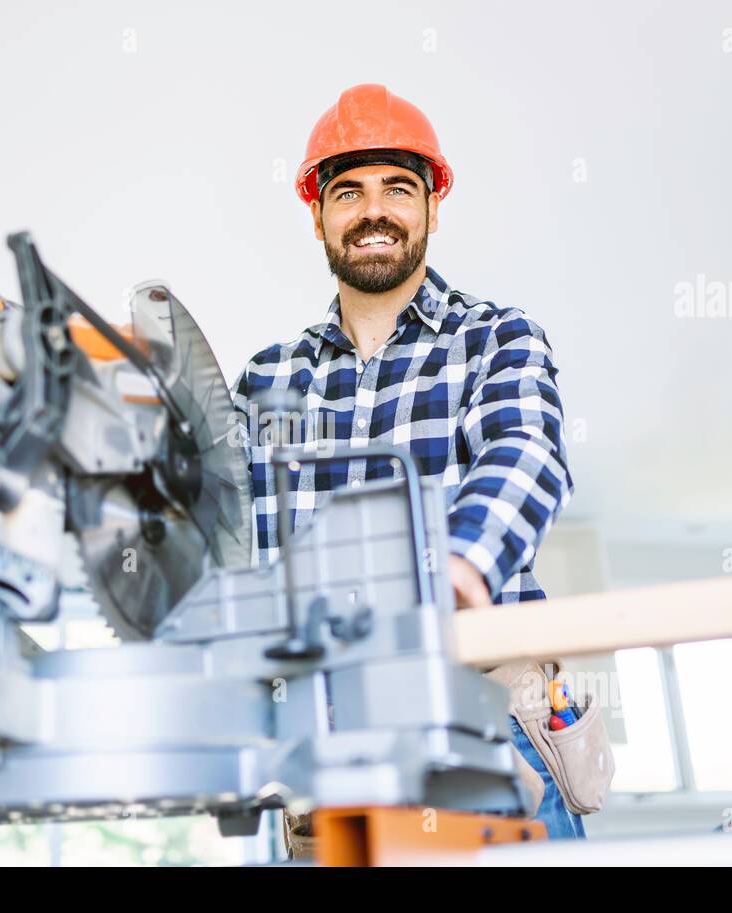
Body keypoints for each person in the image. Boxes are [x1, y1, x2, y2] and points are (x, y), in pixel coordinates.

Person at [231, 83, 584, 844]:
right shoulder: (265, 379)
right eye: (349, 192)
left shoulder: (495, 338)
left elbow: (528, 453)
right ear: (319, 214)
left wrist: (459, 565)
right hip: (315, 757)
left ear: (431, 207)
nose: (374, 211)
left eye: (398, 188)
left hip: (485, 725)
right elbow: (210, 522)